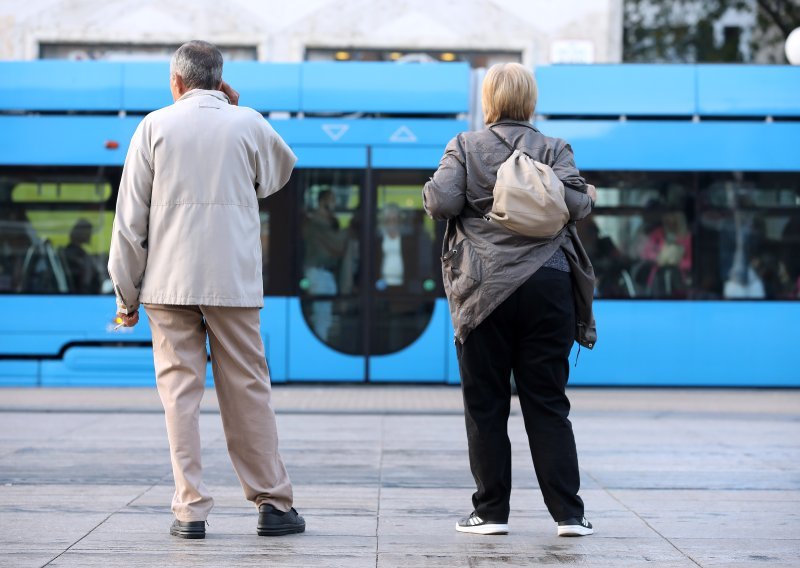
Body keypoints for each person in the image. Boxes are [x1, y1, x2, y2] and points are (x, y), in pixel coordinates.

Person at [108, 40, 304, 540]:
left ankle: (189, 510)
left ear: (175, 82)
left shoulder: (153, 126)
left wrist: (126, 297)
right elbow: (279, 173)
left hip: (166, 283)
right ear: (221, 81)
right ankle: (273, 506)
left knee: (180, 396)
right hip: (232, 281)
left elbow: (130, 223)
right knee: (247, 391)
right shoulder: (248, 123)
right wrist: (236, 113)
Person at [423, 62, 596, 537]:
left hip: (485, 291)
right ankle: (569, 514)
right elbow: (579, 205)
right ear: (531, 101)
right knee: (547, 400)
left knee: (486, 403)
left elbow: (440, 203)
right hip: (550, 285)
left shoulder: (465, 145)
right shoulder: (555, 148)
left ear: (489, 101)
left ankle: (491, 511)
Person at [302, 189, 347, 340]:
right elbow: (337, 245)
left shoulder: (327, 221)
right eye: (331, 200)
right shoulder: (316, 222)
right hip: (318, 273)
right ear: (323, 202)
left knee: (325, 315)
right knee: (322, 316)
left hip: (326, 273)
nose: (334, 204)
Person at [61, 219, 101, 294]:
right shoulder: (74, 255)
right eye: (88, 232)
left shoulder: (75, 252)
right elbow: (85, 280)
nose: (90, 235)